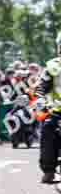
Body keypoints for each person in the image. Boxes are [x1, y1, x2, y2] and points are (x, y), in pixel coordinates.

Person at [35, 32, 61, 183]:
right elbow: (41, 87)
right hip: (56, 111)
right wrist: (40, 99)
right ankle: (49, 169)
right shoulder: (53, 65)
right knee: (48, 129)